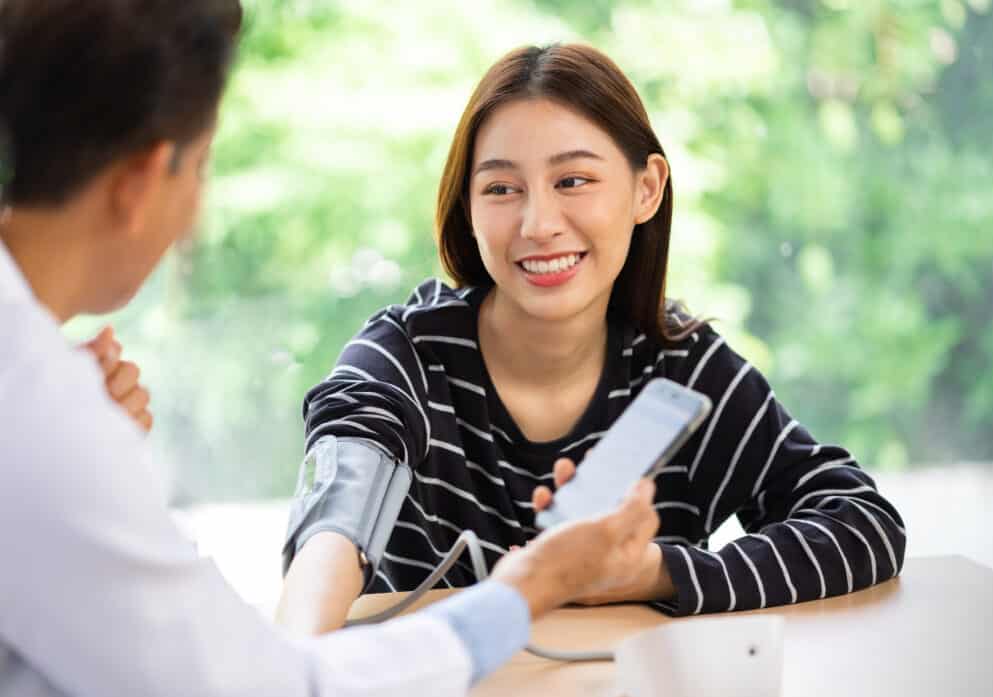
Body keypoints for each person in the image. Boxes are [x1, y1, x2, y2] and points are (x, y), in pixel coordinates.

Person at [0, 4, 662, 696]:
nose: (539, 223)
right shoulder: (39, 416)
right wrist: (527, 587)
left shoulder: (42, 402)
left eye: (573, 181)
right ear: (141, 183)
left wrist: (93, 440)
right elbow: (274, 682)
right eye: (200, 167)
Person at [278, 43, 907, 634]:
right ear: (467, 210)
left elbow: (863, 523)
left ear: (646, 189)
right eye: (501, 188)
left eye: (572, 180)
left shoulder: (681, 366)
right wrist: (294, 658)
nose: (538, 223)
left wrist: (645, 574)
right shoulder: (405, 355)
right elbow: (334, 520)